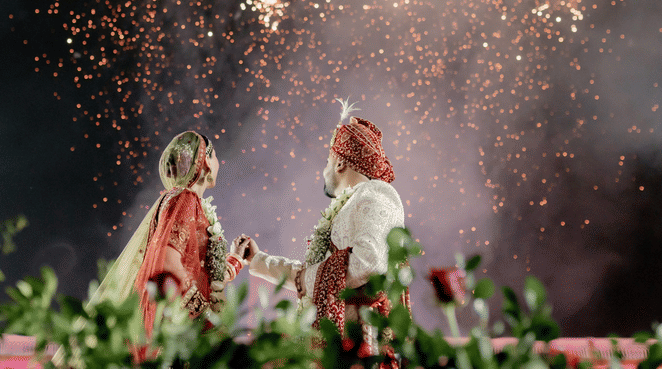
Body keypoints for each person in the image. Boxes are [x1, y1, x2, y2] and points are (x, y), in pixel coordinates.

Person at [53, 131, 246, 366]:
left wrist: (235, 260)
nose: (219, 164)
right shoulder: (185, 200)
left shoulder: (184, 202)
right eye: (215, 157)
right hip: (180, 330)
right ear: (206, 158)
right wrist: (204, 315)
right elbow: (167, 266)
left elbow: (201, 275)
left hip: (184, 326)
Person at [238, 101, 410, 365]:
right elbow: (314, 276)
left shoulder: (375, 194)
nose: (323, 170)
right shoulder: (352, 204)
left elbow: (368, 262)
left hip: (361, 345)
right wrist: (259, 261)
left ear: (340, 163)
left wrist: (312, 277)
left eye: (327, 161)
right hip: (343, 345)